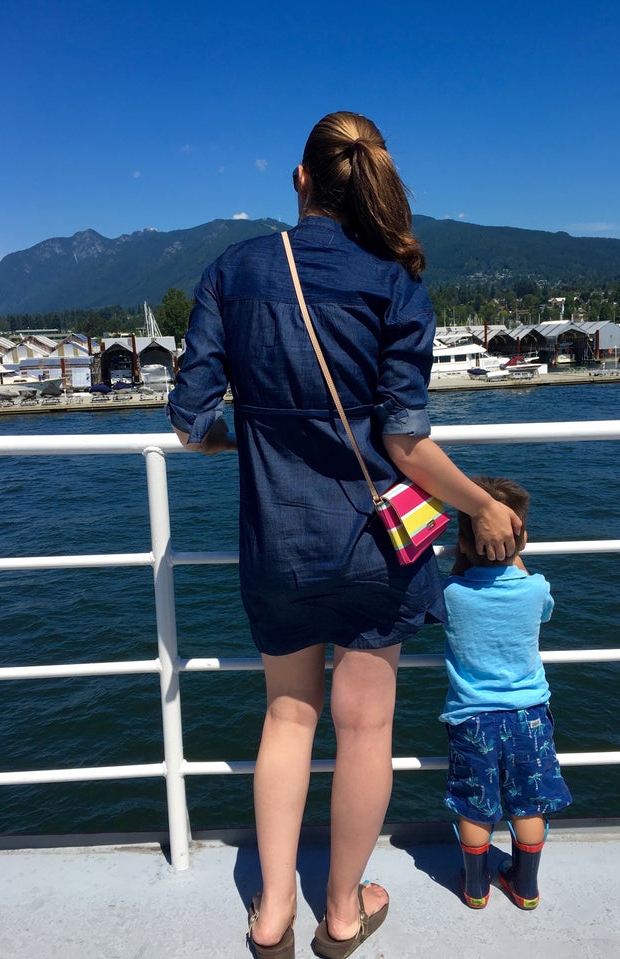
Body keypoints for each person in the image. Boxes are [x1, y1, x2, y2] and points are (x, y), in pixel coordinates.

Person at [166, 111, 521, 959]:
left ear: (300, 178)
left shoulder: (235, 269)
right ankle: (342, 913)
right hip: (375, 544)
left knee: (288, 717)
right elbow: (405, 442)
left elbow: (188, 420)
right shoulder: (395, 283)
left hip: (276, 541)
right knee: (366, 731)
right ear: (366, 182)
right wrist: (480, 505)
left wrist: (240, 435)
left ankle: (269, 915)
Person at [440, 475, 572, 911]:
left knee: (475, 804)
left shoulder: (452, 594)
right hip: (529, 715)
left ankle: (476, 890)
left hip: (472, 718)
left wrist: (464, 559)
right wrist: (515, 556)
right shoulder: (536, 589)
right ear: (524, 540)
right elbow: (544, 609)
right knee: (528, 802)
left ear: (460, 543)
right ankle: (525, 887)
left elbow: (449, 594)